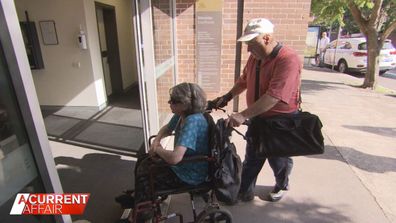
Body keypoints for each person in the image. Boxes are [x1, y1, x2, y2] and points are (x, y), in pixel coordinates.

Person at [210, 18, 301, 202]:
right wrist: (226, 97)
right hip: (259, 117)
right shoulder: (256, 58)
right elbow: (244, 80)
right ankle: (244, 190)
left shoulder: (288, 59)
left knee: (278, 159)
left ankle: (282, 184)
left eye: (252, 43)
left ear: (267, 38)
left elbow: (274, 96)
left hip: (281, 121)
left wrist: (243, 115)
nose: (248, 49)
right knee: (252, 155)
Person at [120, 83, 209, 222]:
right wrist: (156, 141)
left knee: (147, 174)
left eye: (173, 101)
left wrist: (158, 149)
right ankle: (140, 199)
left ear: (185, 104)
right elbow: (167, 128)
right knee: (143, 159)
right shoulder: (183, 114)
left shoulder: (192, 121)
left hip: (190, 173)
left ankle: (140, 215)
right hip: (183, 164)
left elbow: (175, 158)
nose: (169, 103)